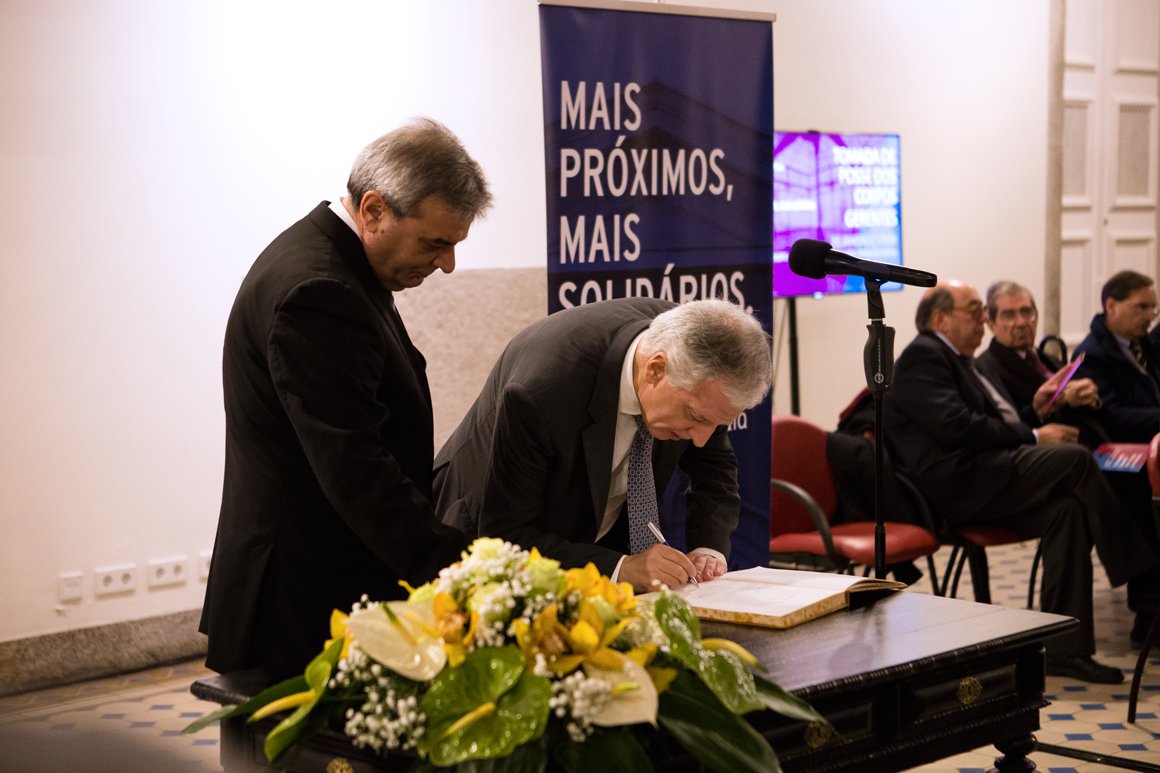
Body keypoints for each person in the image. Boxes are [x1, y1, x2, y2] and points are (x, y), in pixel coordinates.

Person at [200, 118, 492, 680]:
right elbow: (357, 469)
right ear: (374, 210)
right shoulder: (320, 291)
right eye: (435, 243)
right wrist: (460, 573)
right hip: (300, 603)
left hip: (315, 586)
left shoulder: (336, 266)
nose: (447, 265)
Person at [886, 280, 1159, 682]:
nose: (983, 318)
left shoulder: (960, 359)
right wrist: (1033, 435)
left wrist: (1035, 411)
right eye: (975, 310)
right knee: (1075, 459)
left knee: (1067, 511)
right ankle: (1141, 572)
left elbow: (994, 422)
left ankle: (1065, 650)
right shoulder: (924, 356)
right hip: (959, 487)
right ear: (941, 319)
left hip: (987, 474)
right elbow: (957, 426)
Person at [432, 297, 772, 593]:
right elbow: (507, 536)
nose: (700, 438)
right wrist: (622, 568)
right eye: (696, 418)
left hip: (586, 540)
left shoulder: (702, 356)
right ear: (655, 370)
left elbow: (715, 467)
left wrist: (709, 548)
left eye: (717, 424)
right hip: (481, 544)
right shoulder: (544, 390)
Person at [976, 280, 1104, 444]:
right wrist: (1062, 403)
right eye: (1009, 315)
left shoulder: (1048, 359)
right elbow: (1005, 430)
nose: (1021, 322)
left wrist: (1089, 398)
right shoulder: (986, 369)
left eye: (1026, 312)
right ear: (991, 324)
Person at [1074, 270, 1160, 443]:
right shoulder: (1091, 355)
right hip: (1127, 448)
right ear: (1111, 306)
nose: (1150, 317)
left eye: (1154, 308)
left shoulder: (1145, 344)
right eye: (1142, 307)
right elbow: (1111, 418)